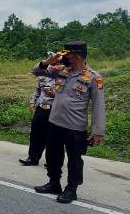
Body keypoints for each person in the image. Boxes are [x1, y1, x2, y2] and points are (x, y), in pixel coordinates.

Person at [32, 41, 105, 204]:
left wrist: (98, 131)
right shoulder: (61, 71)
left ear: (77, 56)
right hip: (55, 123)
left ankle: (71, 189)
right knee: (52, 155)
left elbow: (99, 106)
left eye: (67, 55)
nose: (64, 58)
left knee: (74, 160)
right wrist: (47, 62)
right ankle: (53, 183)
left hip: (75, 127)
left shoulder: (94, 77)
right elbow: (36, 71)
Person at [19, 74, 55, 166]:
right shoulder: (43, 76)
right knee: (35, 134)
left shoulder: (63, 76)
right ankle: (33, 158)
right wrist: (32, 102)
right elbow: (37, 90)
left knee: (52, 136)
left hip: (54, 109)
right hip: (40, 108)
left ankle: (52, 161)